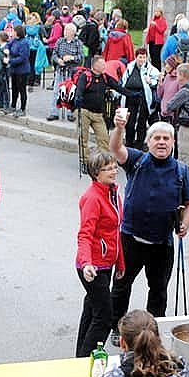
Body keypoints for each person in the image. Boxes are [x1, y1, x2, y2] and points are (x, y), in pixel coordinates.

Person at [109, 115, 189, 343]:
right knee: (120, 286)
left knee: (158, 291)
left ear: (173, 143)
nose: (161, 142)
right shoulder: (137, 161)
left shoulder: (181, 171)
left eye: (166, 138)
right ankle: (117, 328)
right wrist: (119, 128)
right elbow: (115, 148)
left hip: (162, 243)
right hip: (130, 238)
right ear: (148, 142)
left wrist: (185, 223)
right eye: (156, 138)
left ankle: (152, 333)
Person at [75, 150, 123, 358]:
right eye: (108, 168)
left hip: (106, 264)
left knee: (92, 309)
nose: (113, 171)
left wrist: (120, 263)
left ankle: (80, 356)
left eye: (114, 167)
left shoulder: (112, 192)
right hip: (93, 267)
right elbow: (85, 234)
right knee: (104, 316)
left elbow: (115, 231)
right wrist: (86, 263)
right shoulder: (93, 198)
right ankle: (88, 358)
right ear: (96, 173)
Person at [75, 56, 134, 158]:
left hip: (98, 113)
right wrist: (78, 98)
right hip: (84, 111)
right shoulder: (85, 77)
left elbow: (118, 87)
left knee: (104, 138)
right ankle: (84, 160)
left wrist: (132, 94)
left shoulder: (105, 77)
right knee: (83, 138)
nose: (104, 66)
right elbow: (79, 90)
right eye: (102, 64)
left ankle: (104, 159)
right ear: (95, 66)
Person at [119, 49, 160, 151]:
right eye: (140, 57)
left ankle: (139, 145)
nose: (142, 59)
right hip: (130, 97)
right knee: (130, 122)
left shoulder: (151, 69)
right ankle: (129, 143)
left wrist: (150, 81)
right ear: (136, 57)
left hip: (144, 98)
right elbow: (124, 80)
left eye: (144, 57)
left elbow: (156, 81)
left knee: (142, 123)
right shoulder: (130, 67)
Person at [164, 63, 189, 163]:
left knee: (184, 160)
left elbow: (170, 106)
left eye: (178, 73)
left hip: (186, 128)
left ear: (182, 75)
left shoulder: (185, 91)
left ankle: (184, 178)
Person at [48, 23, 83, 122]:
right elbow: (54, 54)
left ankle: (70, 113)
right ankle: (54, 113)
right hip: (60, 70)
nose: (65, 32)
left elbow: (81, 58)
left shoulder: (78, 43)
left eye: (68, 30)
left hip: (72, 71)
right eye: (65, 30)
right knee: (56, 91)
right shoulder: (60, 41)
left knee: (71, 92)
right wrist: (58, 60)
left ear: (73, 32)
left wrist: (71, 58)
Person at [7, 25, 30, 117]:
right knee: (14, 88)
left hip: (22, 70)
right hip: (14, 70)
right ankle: (13, 105)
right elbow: (8, 45)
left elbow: (23, 58)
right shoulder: (14, 40)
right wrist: (6, 49)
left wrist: (10, 61)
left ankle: (23, 108)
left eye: (13, 31)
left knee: (22, 89)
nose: (12, 33)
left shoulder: (24, 43)